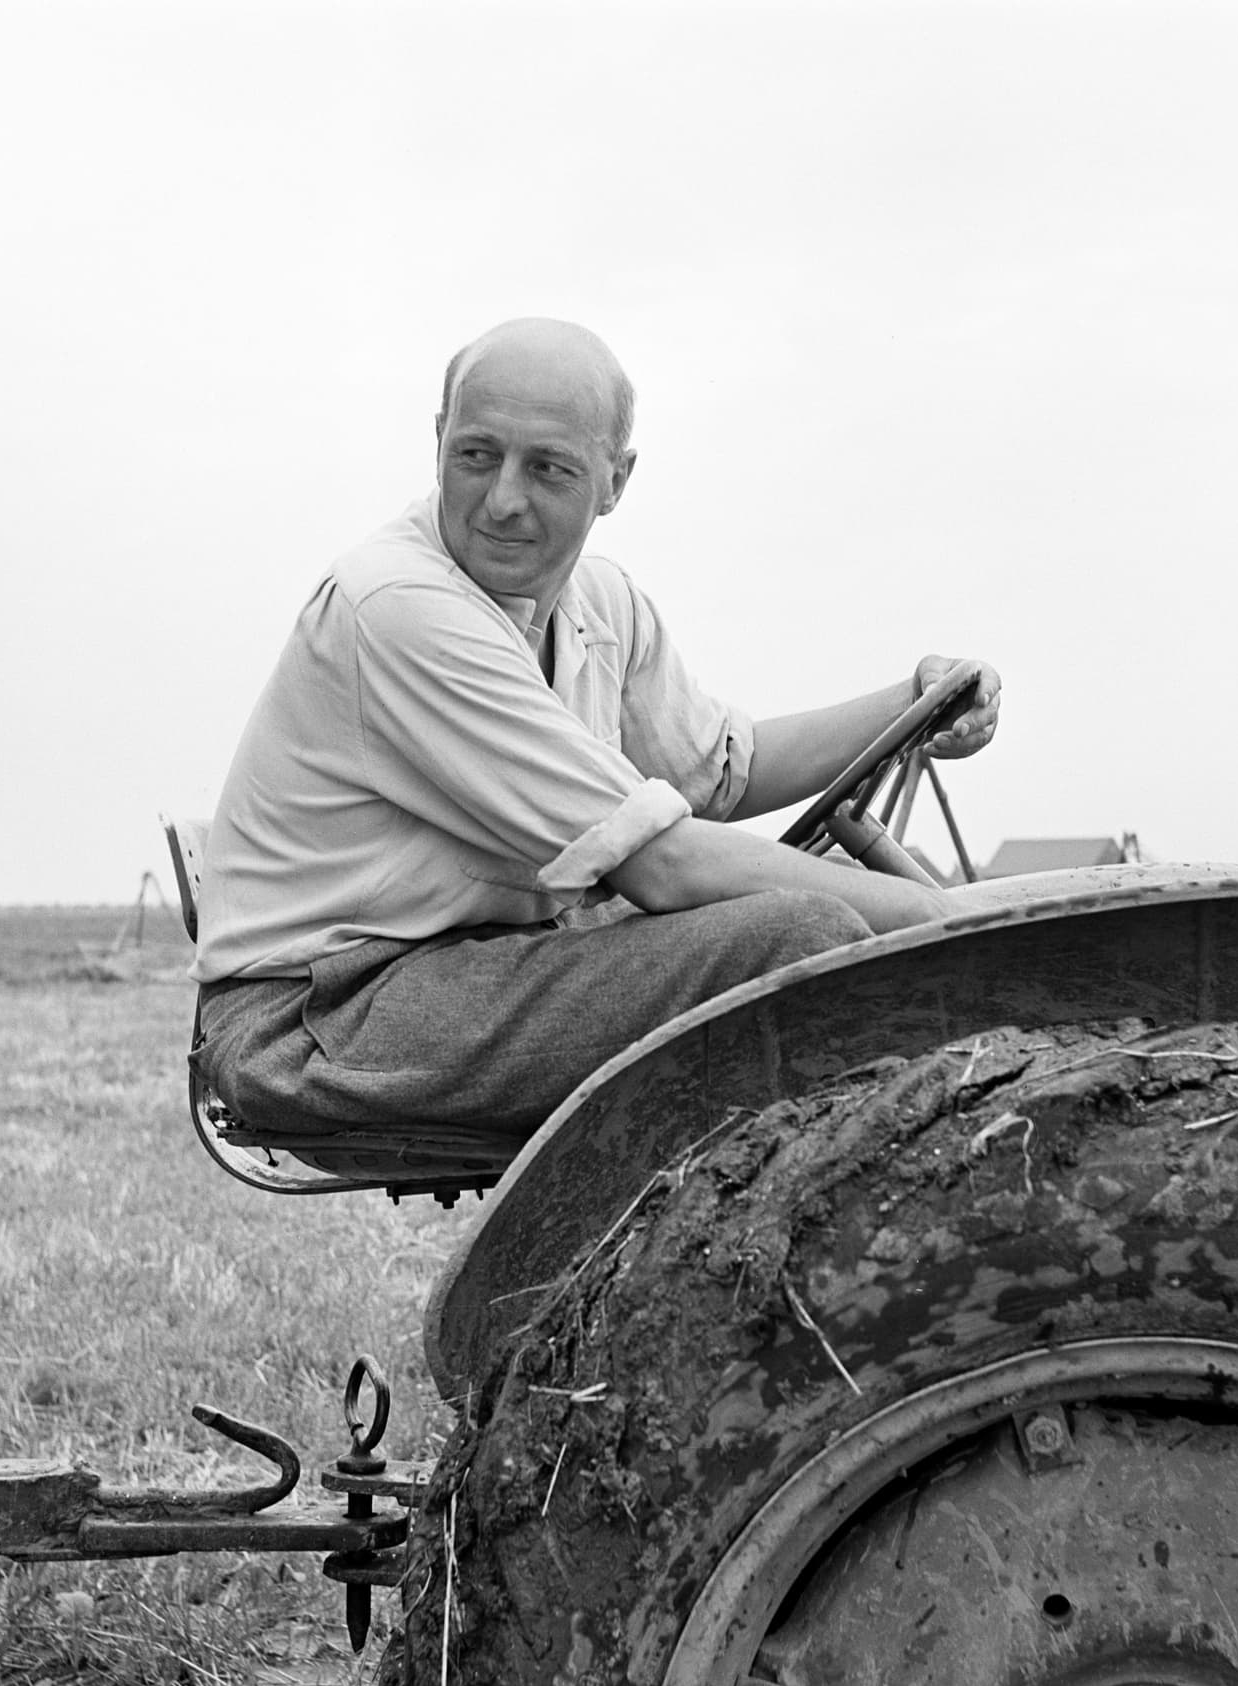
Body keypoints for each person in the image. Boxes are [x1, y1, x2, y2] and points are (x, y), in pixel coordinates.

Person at [190, 318, 1001, 1135]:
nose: (504, 499)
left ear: (616, 480)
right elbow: (664, 864)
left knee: (815, 905)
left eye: (548, 468)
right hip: (319, 1013)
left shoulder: (600, 606)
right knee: (802, 933)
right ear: (437, 440)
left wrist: (913, 700)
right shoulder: (396, 607)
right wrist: (942, 923)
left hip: (455, 971)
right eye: (477, 454)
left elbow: (723, 771)